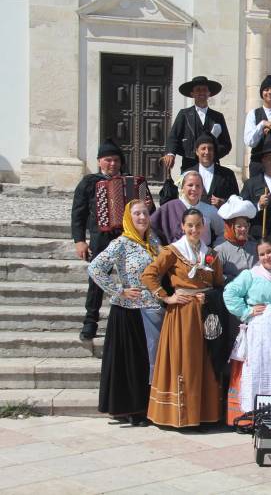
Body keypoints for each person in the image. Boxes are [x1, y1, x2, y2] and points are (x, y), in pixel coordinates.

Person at [141, 208, 224, 427]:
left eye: (198, 225)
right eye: (190, 225)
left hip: (205, 313)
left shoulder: (211, 254)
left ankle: (202, 414)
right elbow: (149, 275)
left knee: (204, 361)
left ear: (203, 227)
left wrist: (210, 298)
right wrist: (167, 298)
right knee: (184, 360)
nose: (194, 230)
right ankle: (180, 416)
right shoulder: (172, 251)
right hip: (182, 313)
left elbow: (218, 284)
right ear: (182, 227)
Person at [88, 200, 162, 426]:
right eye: (137, 214)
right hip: (129, 311)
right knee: (132, 362)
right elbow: (95, 268)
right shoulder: (121, 243)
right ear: (129, 218)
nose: (142, 217)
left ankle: (149, 406)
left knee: (149, 361)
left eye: (145, 213)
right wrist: (118, 291)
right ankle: (131, 409)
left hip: (152, 308)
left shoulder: (154, 241)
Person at [223, 238, 271, 425]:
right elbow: (229, 293)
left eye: (270, 251)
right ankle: (256, 416)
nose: (267, 257)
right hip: (261, 329)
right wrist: (246, 311)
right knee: (260, 367)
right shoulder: (251, 275)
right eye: (262, 254)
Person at [72, 138, 126, 341]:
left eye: (116, 161)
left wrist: (148, 204)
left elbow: (146, 212)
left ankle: (124, 321)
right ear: (99, 162)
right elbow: (78, 213)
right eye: (108, 160)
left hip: (125, 238)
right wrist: (79, 240)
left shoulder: (130, 182)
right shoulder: (89, 182)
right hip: (99, 237)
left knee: (128, 279)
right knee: (96, 280)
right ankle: (90, 321)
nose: (113, 164)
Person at [164, 76, 232, 173]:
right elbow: (173, 137)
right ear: (192, 94)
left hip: (211, 165)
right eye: (198, 90)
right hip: (189, 164)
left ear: (209, 93)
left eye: (204, 90)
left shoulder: (218, 117)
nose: (201, 93)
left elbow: (226, 144)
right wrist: (171, 153)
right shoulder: (184, 114)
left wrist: (212, 154)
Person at [159, 132, 240, 208]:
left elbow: (237, 201)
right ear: (197, 152)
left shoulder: (227, 174)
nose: (207, 152)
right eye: (203, 148)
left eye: (210, 149)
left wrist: (223, 202)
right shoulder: (186, 174)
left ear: (214, 152)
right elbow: (180, 198)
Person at [150, 171, 224, 246]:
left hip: (203, 255)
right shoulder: (170, 207)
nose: (194, 189)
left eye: (198, 186)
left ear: (202, 189)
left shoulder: (210, 210)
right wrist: (158, 248)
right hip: (176, 255)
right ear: (182, 188)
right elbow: (150, 228)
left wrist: (214, 250)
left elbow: (222, 232)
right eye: (190, 185)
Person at [215, 195, 258, 284]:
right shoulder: (220, 249)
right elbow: (216, 277)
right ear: (230, 227)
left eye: (246, 226)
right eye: (239, 226)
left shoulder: (255, 246)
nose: (243, 229)